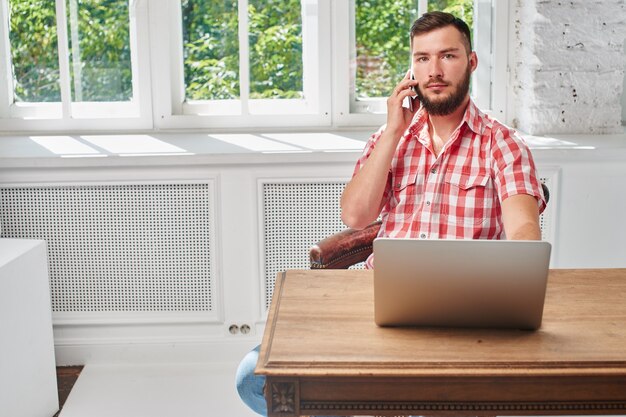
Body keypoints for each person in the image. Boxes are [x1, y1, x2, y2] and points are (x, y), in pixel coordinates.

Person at [236, 11, 545, 416]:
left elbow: (524, 230)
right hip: (375, 297)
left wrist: (504, 293)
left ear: (470, 62)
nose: (433, 71)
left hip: (460, 313)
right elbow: (355, 216)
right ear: (411, 67)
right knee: (253, 377)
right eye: (422, 58)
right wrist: (394, 131)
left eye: (447, 56)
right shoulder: (390, 137)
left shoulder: (503, 145)